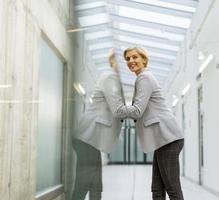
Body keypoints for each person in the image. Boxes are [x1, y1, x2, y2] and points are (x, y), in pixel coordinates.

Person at [118, 46, 185, 200]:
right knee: (157, 189)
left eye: (135, 57)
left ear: (144, 59)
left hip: (167, 138)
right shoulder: (142, 78)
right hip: (162, 140)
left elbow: (137, 111)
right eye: (128, 59)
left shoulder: (145, 78)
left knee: (172, 189)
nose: (131, 61)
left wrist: (117, 110)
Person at [72, 48, 125, 200]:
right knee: (84, 182)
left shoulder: (115, 81)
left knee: (96, 184)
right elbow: (117, 109)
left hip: (91, 140)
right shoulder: (109, 77)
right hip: (86, 138)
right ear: (114, 61)